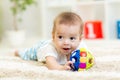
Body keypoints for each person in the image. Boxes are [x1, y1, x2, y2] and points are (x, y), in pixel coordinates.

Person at [15, 12, 94, 71]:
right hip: (40, 48)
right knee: (27, 54)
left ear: (80, 39)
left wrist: (89, 61)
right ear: (53, 36)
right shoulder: (50, 48)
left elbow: (89, 57)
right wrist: (61, 68)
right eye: (60, 37)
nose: (66, 42)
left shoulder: (81, 46)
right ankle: (19, 52)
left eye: (72, 38)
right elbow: (50, 63)